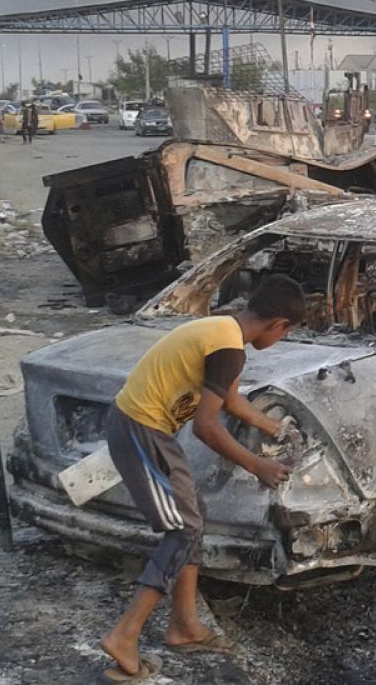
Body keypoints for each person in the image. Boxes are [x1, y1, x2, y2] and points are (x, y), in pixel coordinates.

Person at [99, 276, 307, 681]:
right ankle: (125, 634)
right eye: (289, 332)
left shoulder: (223, 331)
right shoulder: (229, 350)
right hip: (140, 429)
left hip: (149, 429)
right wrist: (257, 465)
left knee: (193, 515)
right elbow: (206, 427)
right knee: (182, 529)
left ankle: (184, 625)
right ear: (280, 324)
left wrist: (275, 427)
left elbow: (231, 402)